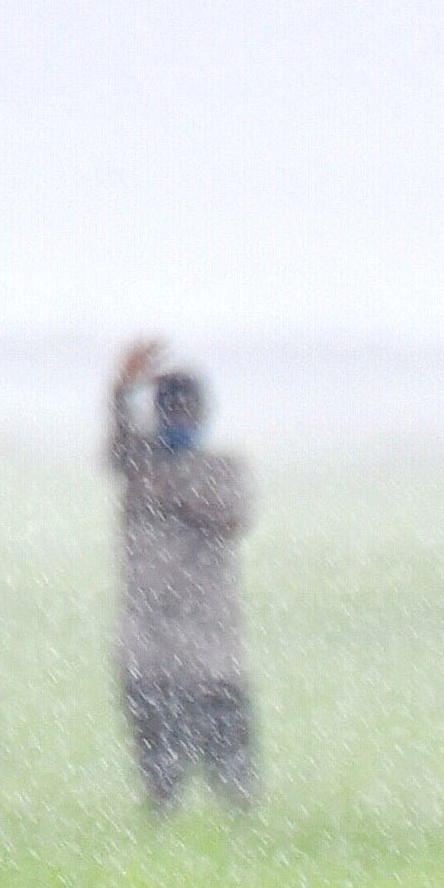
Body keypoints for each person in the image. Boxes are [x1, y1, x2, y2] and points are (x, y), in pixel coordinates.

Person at [108, 340, 255, 815]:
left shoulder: (220, 467)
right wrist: (122, 389)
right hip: (150, 648)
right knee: (160, 777)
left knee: (233, 776)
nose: (180, 418)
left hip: (212, 649)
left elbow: (231, 516)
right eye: (169, 408)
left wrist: (168, 486)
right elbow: (119, 444)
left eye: (187, 408)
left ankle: (239, 855)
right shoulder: (137, 463)